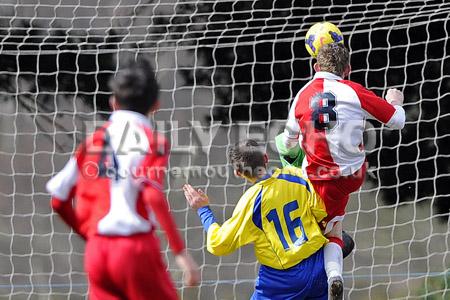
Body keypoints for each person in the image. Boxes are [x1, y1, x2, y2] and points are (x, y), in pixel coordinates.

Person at [46, 59, 199, 300]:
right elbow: (151, 195)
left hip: (97, 253)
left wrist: (89, 236)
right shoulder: (152, 141)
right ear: (156, 105)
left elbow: (58, 200)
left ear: (113, 102)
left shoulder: (92, 142)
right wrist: (180, 253)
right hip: (134, 249)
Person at [276, 42, 406, 299]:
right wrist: (394, 101)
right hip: (351, 176)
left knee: (327, 232)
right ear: (347, 69)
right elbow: (397, 121)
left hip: (314, 179)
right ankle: (333, 275)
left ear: (315, 66)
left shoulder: (302, 94)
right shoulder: (354, 91)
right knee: (333, 225)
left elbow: (288, 141)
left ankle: (319, 275)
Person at [184, 139, 330, 300]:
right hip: (318, 264)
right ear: (266, 158)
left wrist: (203, 210)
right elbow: (321, 211)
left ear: (237, 173)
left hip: (281, 279)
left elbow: (218, 244)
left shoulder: (250, 203)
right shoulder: (296, 176)